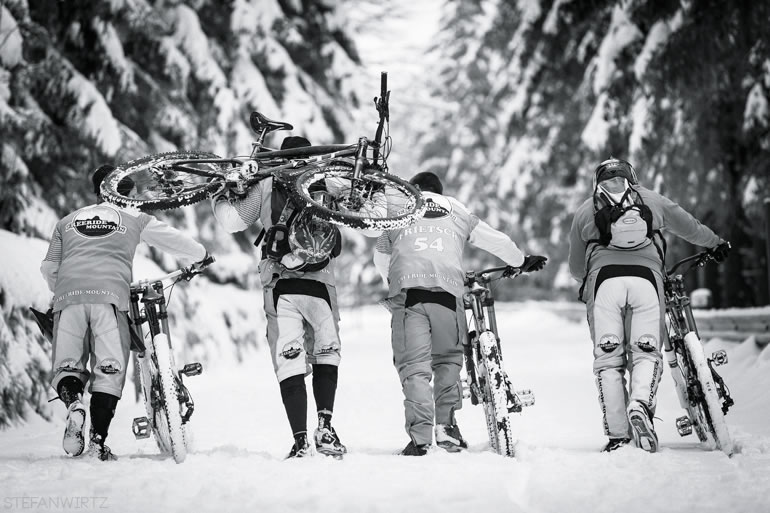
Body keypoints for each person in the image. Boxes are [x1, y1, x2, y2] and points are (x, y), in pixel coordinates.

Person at [41, 165, 209, 461]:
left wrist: (65, 291)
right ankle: (97, 443)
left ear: (97, 192)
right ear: (128, 193)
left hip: (68, 298)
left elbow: (49, 267)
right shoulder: (134, 218)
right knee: (109, 370)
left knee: (68, 365)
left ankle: (74, 403)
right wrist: (201, 256)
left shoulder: (66, 222)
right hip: (109, 298)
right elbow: (174, 240)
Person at [373, 171, 547, 455]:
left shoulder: (400, 209)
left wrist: (393, 282)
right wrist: (520, 260)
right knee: (447, 361)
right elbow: (496, 240)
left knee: (414, 367)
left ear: (414, 189)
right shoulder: (457, 209)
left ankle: (420, 440)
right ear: (439, 192)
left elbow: (381, 257)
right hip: (448, 293)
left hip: (410, 295)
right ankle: (447, 429)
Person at [568, 157, 730, 453]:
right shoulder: (651, 200)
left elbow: (576, 268)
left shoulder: (585, 210)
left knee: (608, 359)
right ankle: (640, 404)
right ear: (632, 177)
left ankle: (618, 436)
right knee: (646, 352)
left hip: (604, 284)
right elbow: (689, 226)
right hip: (646, 281)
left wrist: (592, 273)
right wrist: (715, 243)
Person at [211, 136, 357, 459]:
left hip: (280, 284)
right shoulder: (327, 183)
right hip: (321, 283)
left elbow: (231, 221)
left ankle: (301, 441)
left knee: (288, 357)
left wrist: (217, 193)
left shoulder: (267, 184)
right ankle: (326, 428)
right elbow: (368, 222)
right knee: (326, 353)